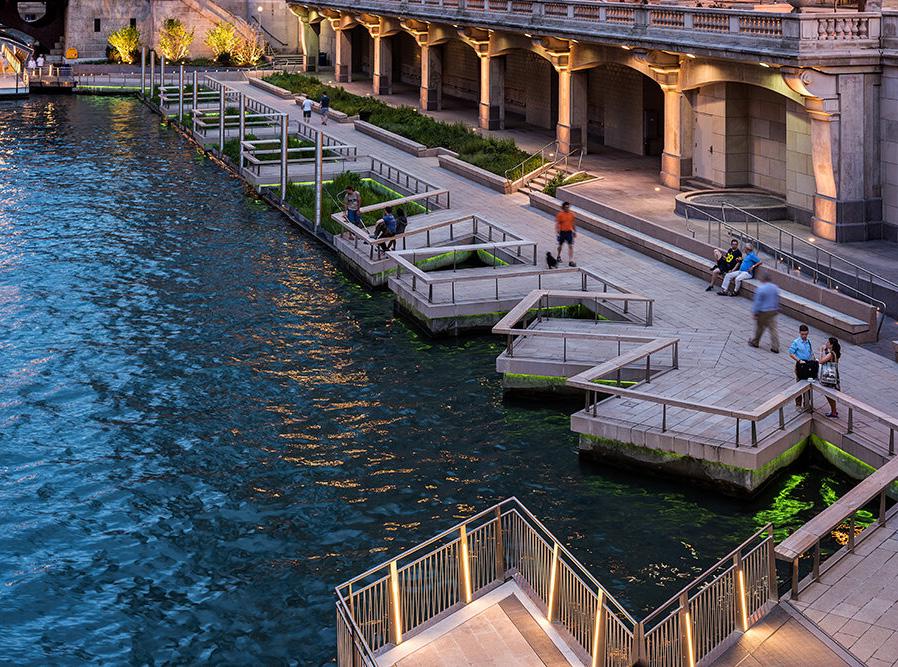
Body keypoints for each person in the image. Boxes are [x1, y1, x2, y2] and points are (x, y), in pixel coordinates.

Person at [748, 271, 780, 353]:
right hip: (773, 310)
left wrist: (755, 312)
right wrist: (777, 308)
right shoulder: (775, 287)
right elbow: (777, 299)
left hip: (763, 311)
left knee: (760, 327)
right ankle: (775, 346)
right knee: (773, 329)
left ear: (763, 279)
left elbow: (757, 302)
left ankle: (755, 342)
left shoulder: (760, 289)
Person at [789, 324, 817, 409]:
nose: (804, 336)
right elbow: (791, 353)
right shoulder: (796, 342)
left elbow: (810, 352)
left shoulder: (808, 342)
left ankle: (807, 403)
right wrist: (798, 360)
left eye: (806, 334)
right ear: (799, 333)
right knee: (799, 384)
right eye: (802, 334)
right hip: (800, 365)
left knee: (808, 383)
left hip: (808, 364)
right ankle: (798, 403)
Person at [819, 337, 842, 418]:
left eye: (828, 342)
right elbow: (829, 356)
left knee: (828, 394)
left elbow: (821, 361)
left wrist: (821, 351)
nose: (826, 343)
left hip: (829, 377)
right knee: (830, 394)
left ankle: (833, 411)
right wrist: (826, 350)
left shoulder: (831, 354)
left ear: (831, 345)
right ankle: (834, 410)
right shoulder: (835, 353)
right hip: (834, 376)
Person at [555, 201, 576, 267]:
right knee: (560, 245)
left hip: (569, 232)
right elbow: (558, 223)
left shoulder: (572, 214)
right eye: (566, 207)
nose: (567, 208)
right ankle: (558, 256)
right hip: (562, 232)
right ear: (563, 208)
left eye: (568, 207)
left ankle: (571, 261)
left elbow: (573, 223)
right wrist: (557, 231)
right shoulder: (560, 215)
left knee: (570, 246)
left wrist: (574, 231)